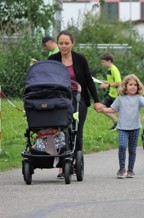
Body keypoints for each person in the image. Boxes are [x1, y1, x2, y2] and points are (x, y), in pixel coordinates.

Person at [48, 30, 102, 178]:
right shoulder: (53, 59)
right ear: (57, 44)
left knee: (76, 131)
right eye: (61, 43)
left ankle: (73, 162)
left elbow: (89, 81)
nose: (64, 46)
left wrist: (96, 101)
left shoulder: (80, 59)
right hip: (59, 99)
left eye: (66, 43)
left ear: (73, 44)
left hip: (78, 98)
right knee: (60, 130)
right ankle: (61, 165)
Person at [98, 74, 144, 178]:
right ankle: (122, 169)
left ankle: (130, 170)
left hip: (135, 128)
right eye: (130, 84)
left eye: (135, 85)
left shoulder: (139, 98)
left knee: (132, 150)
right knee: (122, 146)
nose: (133, 87)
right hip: (122, 128)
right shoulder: (120, 98)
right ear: (125, 86)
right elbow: (113, 109)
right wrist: (103, 109)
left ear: (138, 87)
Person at [99, 52, 122, 131]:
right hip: (111, 94)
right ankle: (116, 121)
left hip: (117, 95)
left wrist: (107, 85)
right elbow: (112, 81)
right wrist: (105, 81)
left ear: (109, 61)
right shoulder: (109, 69)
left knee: (120, 114)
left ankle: (119, 125)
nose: (102, 64)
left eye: (103, 62)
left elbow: (118, 83)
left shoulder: (114, 70)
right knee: (100, 107)